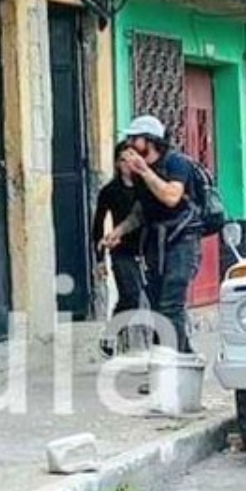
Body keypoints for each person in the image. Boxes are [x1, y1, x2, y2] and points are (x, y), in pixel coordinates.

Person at [118, 114, 218, 359]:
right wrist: (118, 232)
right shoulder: (141, 171)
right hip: (155, 244)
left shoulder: (176, 163)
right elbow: (142, 211)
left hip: (183, 241)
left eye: (134, 138)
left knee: (171, 303)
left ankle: (169, 369)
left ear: (150, 140)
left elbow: (171, 196)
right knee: (156, 305)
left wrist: (143, 171)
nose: (129, 143)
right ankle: (182, 359)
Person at [93, 151, 154, 355]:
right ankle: (112, 334)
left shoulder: (145, 187)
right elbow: (98, 225)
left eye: (132, 160)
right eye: (123, 160)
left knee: (151, 296)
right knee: (131, 295)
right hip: (121, 250)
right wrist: (99, 259)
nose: (128, 164)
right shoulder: (110, 191)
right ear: (118, 164)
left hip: (146, 248)